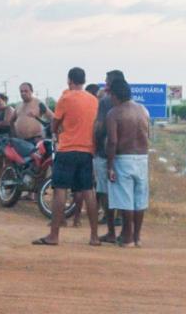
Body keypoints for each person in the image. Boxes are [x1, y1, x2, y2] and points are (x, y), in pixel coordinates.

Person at [32, 67, 99, 246]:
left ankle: (54, 235)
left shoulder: (66, 98)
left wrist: (59, 129)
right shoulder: (94, 100)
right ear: (84, 80)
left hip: (67, 148)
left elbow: (55, 124)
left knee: (60, 189)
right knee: (88, 191)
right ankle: (94, 236)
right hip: (86, 151)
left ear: (69, 80)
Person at [106, 79, 150, 248]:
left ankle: (127, 237)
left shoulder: (114, 113)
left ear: (115, 94)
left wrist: (110, 166)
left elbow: (112, 141)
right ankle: (137, 237)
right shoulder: (143, 110)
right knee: (140, 199)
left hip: (123, 158)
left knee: (125, 200)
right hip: (142, 158)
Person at [96, 70, 126, 243]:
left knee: (106, 192)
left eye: (107, 81)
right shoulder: (133, 104)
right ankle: (126, 232)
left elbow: (100, 127)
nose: (105, 84)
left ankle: (110, 231)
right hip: (125, 153)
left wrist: (95, 145)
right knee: (123, 192)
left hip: (105, 152)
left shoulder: (106, 101)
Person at [0, 93, 14, 191]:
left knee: (8, 163)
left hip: (7, 140)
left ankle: (8, 186)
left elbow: (7, 122)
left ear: (4, 100)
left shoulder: (8, 109)